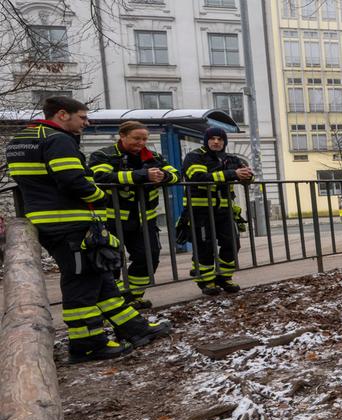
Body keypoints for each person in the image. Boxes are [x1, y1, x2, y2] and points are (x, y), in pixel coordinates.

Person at [4, 97, 171, 362]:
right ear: (62, 114)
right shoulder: (58, 139)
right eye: (82, 117)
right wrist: (99, 196)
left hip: (51, 219)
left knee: (100, 276)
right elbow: (72, 179)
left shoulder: (21, 140)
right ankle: (88, 343)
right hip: (69, 221)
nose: (86, 122)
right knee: (81, 282)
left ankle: (134, 329)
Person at [88, 121, 180, 310]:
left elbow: (177, 175)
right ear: (122, 136)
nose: (141, 143)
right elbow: (100, 178)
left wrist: (163, 176)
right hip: (112, 219)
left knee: (149, 257)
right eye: (136, 138)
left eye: (145, 139)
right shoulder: (103, 155)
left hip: (144, 219)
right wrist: (140, 175)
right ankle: (112, 301)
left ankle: (131, 296)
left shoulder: (153, 156)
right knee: (112, 260)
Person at [182, 128, 253, 296]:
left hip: (224, 210)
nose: (216, 142)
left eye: (220, 139)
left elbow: (248, 176)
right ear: (206, 141)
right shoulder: (194, 157)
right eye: (212, 139)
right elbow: (198, 177)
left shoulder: (231, 159)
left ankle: (224, 277)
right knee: (204, 247)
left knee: (232, 243)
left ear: (224, 142)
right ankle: (206, 281)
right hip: (200, 211)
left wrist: (246, 176)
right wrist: (231, 174)